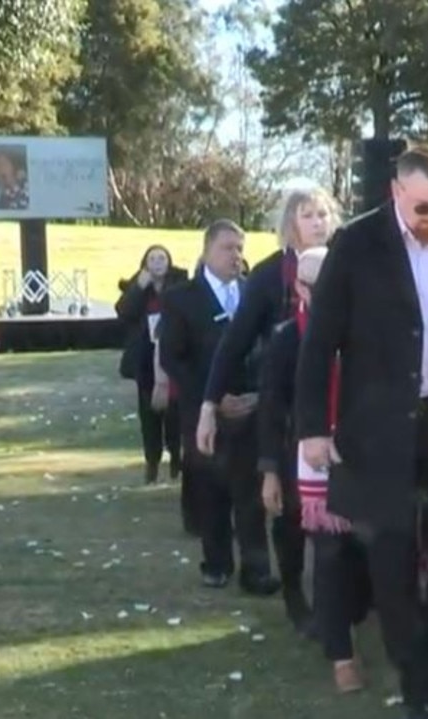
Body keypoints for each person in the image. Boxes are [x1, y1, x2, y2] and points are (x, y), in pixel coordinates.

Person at [295, 143, 428, 719]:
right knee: (391, 555)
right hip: (378, 426)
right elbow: (319, 344)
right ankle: (417, 678)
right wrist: (312, 426)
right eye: (423, 207)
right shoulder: (356, 246)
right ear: (397, 193)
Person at [258, 246, 372, 692]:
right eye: (312, 284)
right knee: (329, 554)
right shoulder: (288, 338)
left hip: (365, 455)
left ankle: (352, 617)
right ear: (298, 287)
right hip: (311, 464)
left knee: (366, 554)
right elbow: (270, 408)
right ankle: (340, 654)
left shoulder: (368, 330)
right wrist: (269, 470)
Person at [158, 220, 279, 595]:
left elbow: (269, 349)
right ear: (207, 251)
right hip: (204, 413)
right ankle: (217, 564)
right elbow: (174, 358)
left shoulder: (252, 293)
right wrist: (211, 398)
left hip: (250, 411)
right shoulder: (182, 298)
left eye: (240, 248)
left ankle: (256, 571)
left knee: (251, 495)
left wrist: (259, 394)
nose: (236, 256)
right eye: (228, 248)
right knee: (211, 491)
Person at [196, 187, 336, 455]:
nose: (318, 222)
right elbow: (235, 341)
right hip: (286, 408)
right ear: (290, 223)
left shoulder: (347, 264)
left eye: (323, 214)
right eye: (307, 216)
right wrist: (209, 405)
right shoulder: (268, 275)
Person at [115, 245, 188, 486]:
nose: (158, 262)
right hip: (146, 359)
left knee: (175, 414)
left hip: (173, 355)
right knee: (149, 415)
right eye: (152, 258)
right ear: (145, 263)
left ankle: (177, 460)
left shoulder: (179, 282)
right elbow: (123, 312)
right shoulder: (139, 284)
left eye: (162, 257)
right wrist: (139, 287)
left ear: (169, 262)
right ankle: (152, 462)